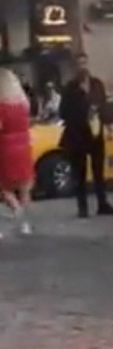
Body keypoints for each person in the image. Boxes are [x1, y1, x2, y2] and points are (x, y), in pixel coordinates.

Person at [60, 53, 113, 218]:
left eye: (85, 63)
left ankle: (103, 204)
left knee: (99, 171)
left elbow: (105, 105)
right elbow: (63, 112)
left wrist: (106, 121)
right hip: (77, 135)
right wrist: (83, 112)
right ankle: (82, 207)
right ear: (75, 67)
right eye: (79, 64)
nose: (83, 67)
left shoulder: (96, 84)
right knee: (80, 173)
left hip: (95, 133)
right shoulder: (70, 88)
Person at [0, 69, 34, 238]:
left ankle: (16, 210)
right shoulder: (23, 104)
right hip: (24, 145)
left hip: (6, 147)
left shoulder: (2, 106)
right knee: (24, 186)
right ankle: (25, 224)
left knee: (4, 188)